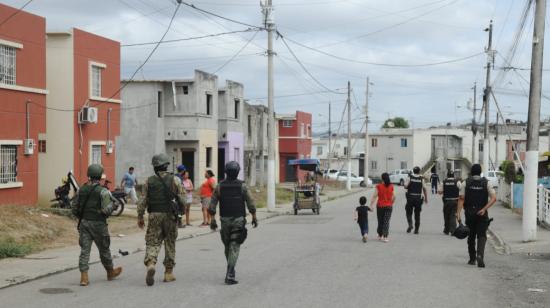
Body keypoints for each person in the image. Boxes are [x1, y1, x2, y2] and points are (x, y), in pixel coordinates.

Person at [137, 154, 184, 286]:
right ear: (166, 165)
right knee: (170, 243)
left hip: (154, 215)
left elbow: (142, 201)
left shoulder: (148, 181)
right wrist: (181, 212)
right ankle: (168, 273)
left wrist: (140, 217)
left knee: (153, 242)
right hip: (170, 215)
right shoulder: (175, 180)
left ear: (155, 167)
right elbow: (183, 199)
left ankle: (151, 263)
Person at [72, 164, 122, 286]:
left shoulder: (81, 190)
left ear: (88, 175)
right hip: (99, 224)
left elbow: (74, 208)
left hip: (84, 223)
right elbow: (106, 210)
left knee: (85, 251)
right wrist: (113, 206)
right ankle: (110, 272)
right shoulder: (103, 191)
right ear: (100, 176)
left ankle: (84, 277)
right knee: (104, 250)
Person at [209, 161, 258, 285]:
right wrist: (254, 217)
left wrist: (213, 220)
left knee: (228, 246)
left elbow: (212, 204)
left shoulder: (219, 186)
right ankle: (230, 273)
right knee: (234, 246)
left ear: (226, 172)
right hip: (238, 220)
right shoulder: (243, 186)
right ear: (237, 172)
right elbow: (251, 203)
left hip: (224, 220)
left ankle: (230, 269)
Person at [456, 164, 497, 268]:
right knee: (482, 235)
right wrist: (484, 209)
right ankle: (480, 255)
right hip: (482, 214)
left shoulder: (466, 182)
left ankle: (472, 258)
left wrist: (458, 213)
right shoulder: (486, 183)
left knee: (471, 236)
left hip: (469, 213)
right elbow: (493, 198)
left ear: (471, 172)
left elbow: (461, 199)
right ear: (480, 172)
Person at [369, 173, 395, 242]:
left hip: (380, 206)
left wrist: (371, 205)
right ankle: (385, 237)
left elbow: (374, 196)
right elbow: (394, 197)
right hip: (389, 206)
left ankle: (380, 235)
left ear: (382, 178)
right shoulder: (391, 186)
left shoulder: (378, 186)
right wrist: (391, 203)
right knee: (386, 221)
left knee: (380, 221)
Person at [405, 166, 428, 234]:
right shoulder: (421, 179)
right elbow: (424, 189)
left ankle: (410, 224)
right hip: (418, 198)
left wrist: (409, 183)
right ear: (419, 171)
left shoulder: (410, 177)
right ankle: (416, 230)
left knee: (408, 212)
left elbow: (405, 186)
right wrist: (426, 198)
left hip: (410, 197)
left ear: (413, 171)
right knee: (417, 214)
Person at [440, 170, 461, 235]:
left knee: (446, 215)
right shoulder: (457, 182)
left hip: (446, 201)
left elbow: (440, 192)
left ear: (447, 175)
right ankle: (453, 230)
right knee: (453, 216)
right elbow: (461, 189)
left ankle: (446, 230)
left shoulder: (444, 182)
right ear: (453, 175)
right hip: (455, 201)